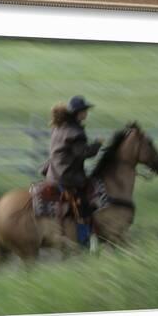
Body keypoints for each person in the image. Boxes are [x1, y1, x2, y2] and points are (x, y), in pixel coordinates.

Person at [44, 95, 104, 245]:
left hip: (53, 173)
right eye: (85, 110)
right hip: (67, 176)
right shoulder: (75, 132)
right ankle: (83, 240)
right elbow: (83, 153)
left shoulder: (60, 126)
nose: (86, 113)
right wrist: (97, 144)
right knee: (84, 205)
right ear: (78, 113)